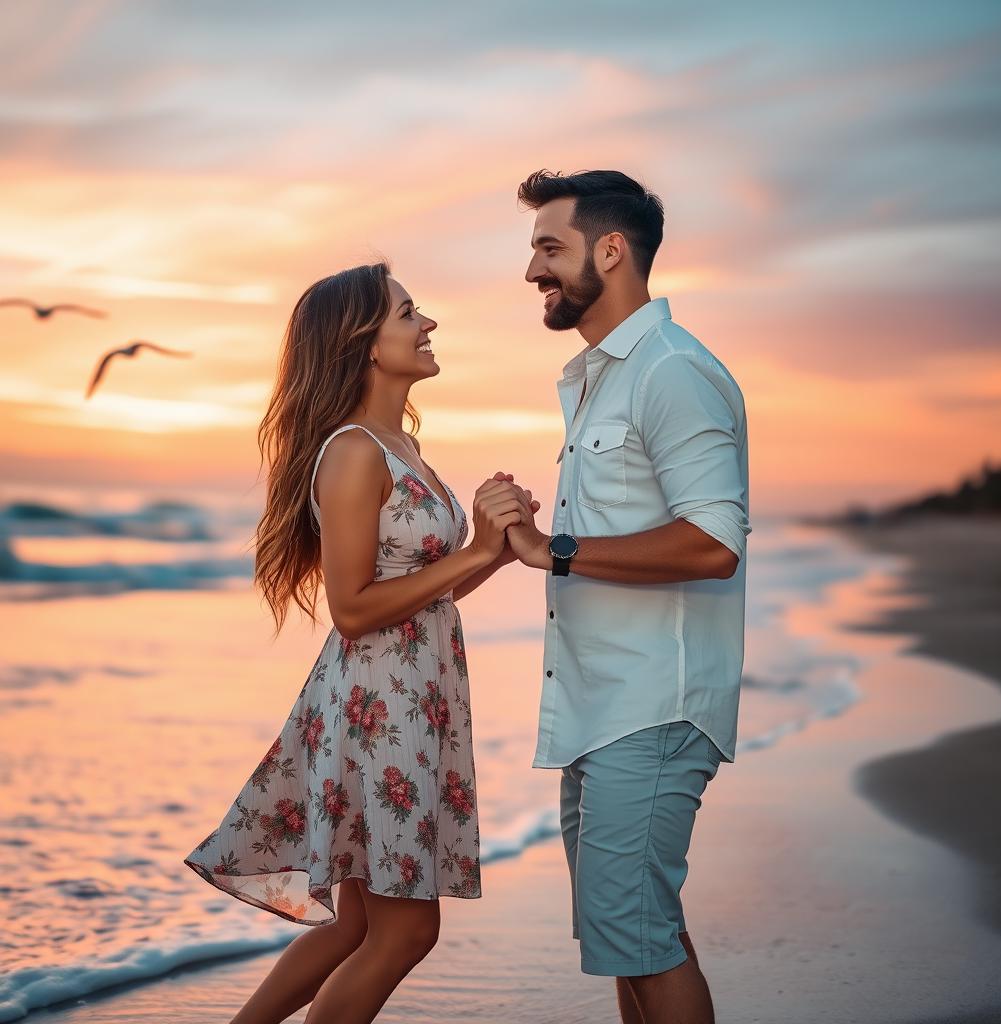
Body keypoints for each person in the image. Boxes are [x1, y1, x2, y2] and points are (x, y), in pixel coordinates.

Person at [183, 263, 539, 1024]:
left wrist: (493, 547)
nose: (428, 323)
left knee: (356, 924)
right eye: (409, 313)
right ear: (365, 344)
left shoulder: (400, 447)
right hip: (380, 708)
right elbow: (352, 607)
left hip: (410, 698)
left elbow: (420, 596)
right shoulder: (353, 452)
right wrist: (474, 553)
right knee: (406, 930)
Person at [498, 169, 751, 1024]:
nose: (532, 269)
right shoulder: (600, 376)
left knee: (642, 936)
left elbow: (714, 543)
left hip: (653, 705)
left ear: (612, 250)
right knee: (626, 938)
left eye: (548, 247)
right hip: (602, 709)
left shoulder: (673, 370)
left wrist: (554, 548)